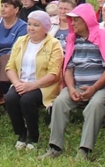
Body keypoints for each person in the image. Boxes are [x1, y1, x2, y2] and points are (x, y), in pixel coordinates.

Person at [40, 3, 105, 161]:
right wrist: (70, 89)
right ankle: (55, 147)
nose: (72, 24)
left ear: (86, 20)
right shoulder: (73, 39)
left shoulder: (104, 37)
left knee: (95, 105)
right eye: (71, 21)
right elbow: (68, 68)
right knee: (60, 102)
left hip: (102, 86)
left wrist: (94, 88)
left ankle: (85, 150)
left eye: (76, 20)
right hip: (76, 85)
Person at [4, 10, 63, 151]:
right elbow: (10, 66)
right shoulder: (20, 41)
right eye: (29, 24)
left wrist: (33, 85)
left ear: (45, 28)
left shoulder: (54, 44)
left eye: (36, 25)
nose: (31, 28)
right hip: (21, 82)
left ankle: (33, 137)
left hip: (43, 85)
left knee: (27, 100)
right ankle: (21, 133)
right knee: (10, 98)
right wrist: (17, 83)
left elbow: (54, 73)